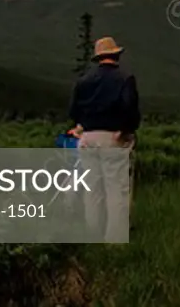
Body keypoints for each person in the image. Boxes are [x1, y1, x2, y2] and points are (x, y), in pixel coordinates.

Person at [68, 36, 140, 242]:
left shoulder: (83, 81)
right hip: (114, 138)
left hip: (87, 138)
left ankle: (93, 234)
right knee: (116, 190)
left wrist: (84, 125)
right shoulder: (125, 79)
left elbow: (73, 110)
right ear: (116, 55)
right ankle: (114, 240)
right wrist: (125, 129)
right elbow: (130, 108)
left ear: (98, 58)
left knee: (92, 190)